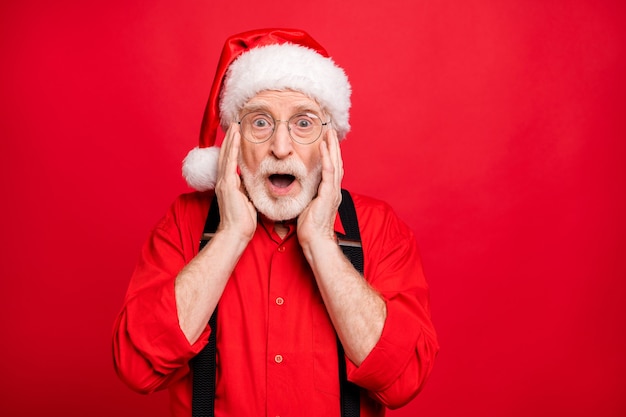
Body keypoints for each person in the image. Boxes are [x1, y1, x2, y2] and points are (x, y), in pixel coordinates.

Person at [112, 28, 438, 417]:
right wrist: (231, 234)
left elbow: (402, 381)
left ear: (329, 141)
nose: (281, 148)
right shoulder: (184, 223)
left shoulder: (379, 228)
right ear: (233, 138)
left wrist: (320, 242)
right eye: (260, 123)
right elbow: (136, 367)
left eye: (303, 123)